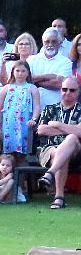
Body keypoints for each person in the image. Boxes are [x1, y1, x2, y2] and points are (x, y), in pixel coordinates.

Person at [35, 77, 81, 209]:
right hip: (49, 150)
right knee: (61, 153)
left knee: (72, 138)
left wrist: (56, 125)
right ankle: (59, 197)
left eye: (72, 90)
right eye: (64, 89)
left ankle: (50, 173)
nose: (67, 93)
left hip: (76, 152)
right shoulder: (50, 109)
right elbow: (41, 130)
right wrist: (71, 129)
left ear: (78, 92)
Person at [0, 60, 40, 161]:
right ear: (13, 72)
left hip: (24, 125)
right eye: (17, 70)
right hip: (8, 125)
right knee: (7, 154)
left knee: (23, 154)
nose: (20, 73)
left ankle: (22, 175)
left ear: (28, 72)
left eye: (23, 71)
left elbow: (37, 106)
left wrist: (34, 119)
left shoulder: (32, 88)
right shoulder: (6, 88)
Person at [27, 27, 72, 110]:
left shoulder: (66, 62)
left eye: (54, 41)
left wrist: (36, 82)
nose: (50, 44)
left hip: (55, 110)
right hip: (32, 109)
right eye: (47, 41)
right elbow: (26, 80)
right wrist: (49, 76)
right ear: (43, 42)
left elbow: (60, 84)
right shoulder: (31, 60)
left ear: (59, 43)